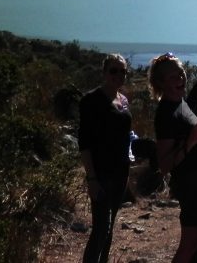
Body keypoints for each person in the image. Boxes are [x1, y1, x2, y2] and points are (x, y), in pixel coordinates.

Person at [149, 53, 197, 263]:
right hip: (190, 183)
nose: (181, 79)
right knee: (191, 243)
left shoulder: (181, 103)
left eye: (182, 73)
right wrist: (192, 140)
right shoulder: (166, 113)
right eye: (174, 77)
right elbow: (164, 165)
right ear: (161, 83)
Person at [78, 54, 133, 263]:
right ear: (104, 72)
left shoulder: (123, 100)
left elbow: (125, 135)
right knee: (101, 228)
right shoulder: (91, 100)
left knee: (109, 228)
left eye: (123, 71)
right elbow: (84, 142)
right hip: (101, 174)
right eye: (114, 70)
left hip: (120, 173)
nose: (118, 75)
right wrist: (91, 178)